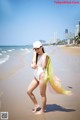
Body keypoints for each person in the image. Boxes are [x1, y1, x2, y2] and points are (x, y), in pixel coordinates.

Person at [27, 41, 72, 114]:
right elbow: (32, 64)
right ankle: (36, 105)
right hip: (36, 75)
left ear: (41, 47)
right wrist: (33, 64)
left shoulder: (46, 55)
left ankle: (43, 110)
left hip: (42, 76)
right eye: (35, 49)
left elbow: (44, 66)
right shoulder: (34, 54)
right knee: (29, 91)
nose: (37, 50)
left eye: (38, 48)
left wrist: (36, 64)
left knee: (42, 94)